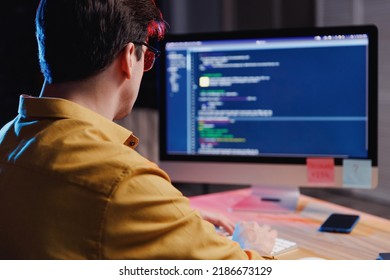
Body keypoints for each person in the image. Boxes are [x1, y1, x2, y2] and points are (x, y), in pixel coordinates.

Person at [0, 0, 277, 259]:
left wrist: (167, 217)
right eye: (147, 58)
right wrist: (250, 246)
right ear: (129, 56)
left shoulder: (7, 139)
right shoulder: (124, 182)